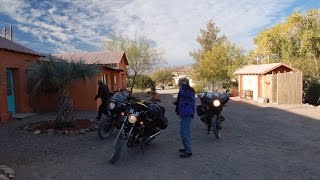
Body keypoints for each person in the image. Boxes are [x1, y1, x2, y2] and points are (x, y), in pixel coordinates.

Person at [174, 77, 195, 158]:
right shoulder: (187, 90)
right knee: (184, 131)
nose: (178, 85)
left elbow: (184, 94)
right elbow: (184, 99)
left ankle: (188, 150)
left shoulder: (187, 90)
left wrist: (183, 86)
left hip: (186, 112)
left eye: (179, 83)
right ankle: (186, 147)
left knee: (184, 132)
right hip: (185, 112)